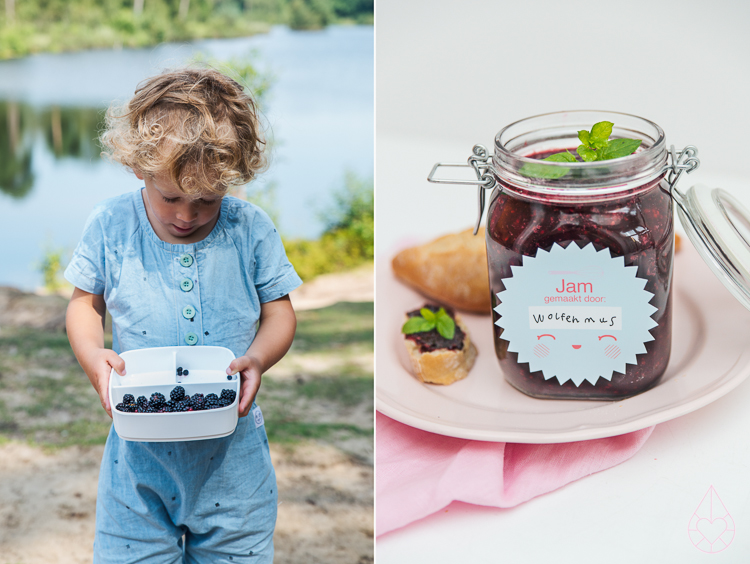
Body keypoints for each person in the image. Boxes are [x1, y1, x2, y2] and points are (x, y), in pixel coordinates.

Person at [64, 67, 302, 563]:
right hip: (139, 462)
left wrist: (257, 359)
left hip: (233, 462)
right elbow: (85, 304)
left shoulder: (249, 229)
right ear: (139, 168)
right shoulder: (110, 225)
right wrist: (93, 356)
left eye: (207, 200)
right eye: (171, 196)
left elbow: (279, 313)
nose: (187, 215)